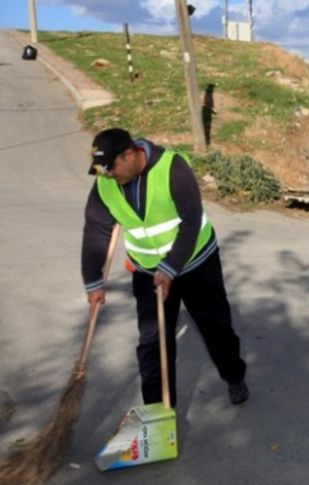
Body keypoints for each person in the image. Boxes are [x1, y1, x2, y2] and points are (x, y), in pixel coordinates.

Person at [81, 128, 248, 407]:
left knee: (215, 327)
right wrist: (93, 281)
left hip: (197, 263)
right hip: (147, 270)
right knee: (152, 342)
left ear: (130, 154)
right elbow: (96, 232)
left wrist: (170, 268)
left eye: (112, 168)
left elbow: (191, 221)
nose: (108, 175)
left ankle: (234, 375)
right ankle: (158, 412)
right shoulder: (104, 183)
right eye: (103, 170)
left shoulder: (173, 168)